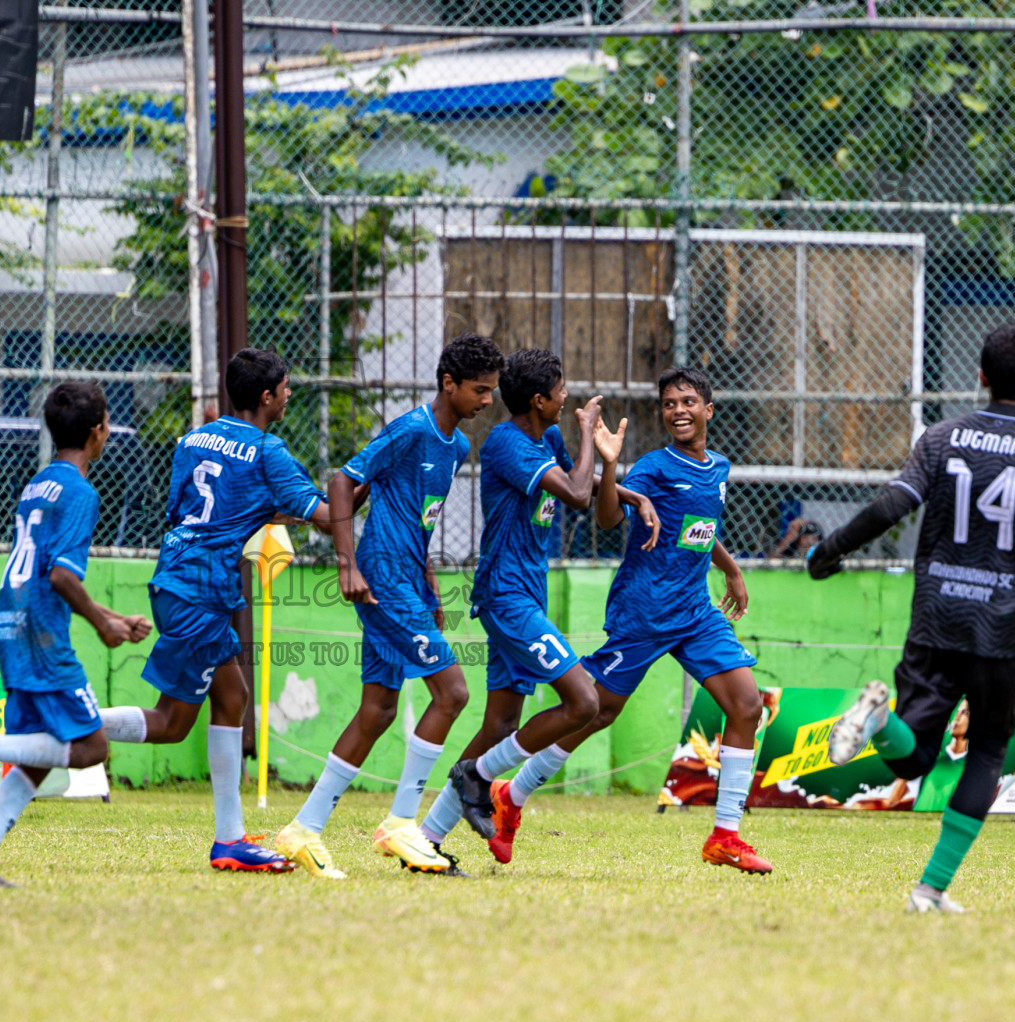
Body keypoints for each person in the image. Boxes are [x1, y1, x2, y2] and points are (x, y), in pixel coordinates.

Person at [813, 323, 1015, 914]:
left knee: (918, 755)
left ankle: (878, 720)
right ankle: (929, 889)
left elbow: (891, 505)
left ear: (980, 375)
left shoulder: (942, 437)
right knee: (985, 753)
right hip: (1003, 630)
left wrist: (832, 549)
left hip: (937, 616)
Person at [468, 366, 772, 873]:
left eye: (688, 401)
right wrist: (611, 467)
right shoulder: (653, 467)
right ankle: (509, 794)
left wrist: (732, 569)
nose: (678, 410)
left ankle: (725, 836)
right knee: (594, 711)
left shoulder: (718, 467)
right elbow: (608, 517)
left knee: (746, 705)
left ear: (708, 410)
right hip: (643, 612)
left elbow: (700, 526)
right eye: (670, 403)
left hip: (695, 611)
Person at [90, 348, 342, 873]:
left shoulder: (192, 439)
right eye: (286, 387)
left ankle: (230, 838)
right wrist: (363, 480)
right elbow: (324, 516)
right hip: (201, 590)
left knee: (233, 697)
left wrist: (269, 511)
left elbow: (198, 509)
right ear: (267, 396)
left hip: (179, 574)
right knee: (171, 723)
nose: (290, 394)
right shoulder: (268, 451)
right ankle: (58, 724)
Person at [272, 334, 504, 879]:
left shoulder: (454, 446)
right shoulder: (412, 429)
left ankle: (303, 829)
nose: (487, 401)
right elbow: (343, 481)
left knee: (377, 709)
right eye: (479, 390)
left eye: (492, 391)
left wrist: (428, 581)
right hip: (380, 577)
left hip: (408, 580)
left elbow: (417, 516)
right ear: (449, 384)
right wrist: (347, 564)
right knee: (453, 691)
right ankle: (403, 825)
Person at [417, 349, 657, 865]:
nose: (568, 398)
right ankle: (478, 775)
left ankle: (425, 840)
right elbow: (574, 492)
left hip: (527, 594)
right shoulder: (505, 443)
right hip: (506, 597)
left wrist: (628, 491)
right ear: (539, 400)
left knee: (500, 726)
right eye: (562, 391)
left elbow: (584, 487)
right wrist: (591, 432)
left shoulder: (544, 438)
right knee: (584, 703)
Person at [0, 380, 152, 887]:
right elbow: (62, 576)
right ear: (98, 432)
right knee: (91, 749)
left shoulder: (39, 484)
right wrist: (102, 626)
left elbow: (46, 572)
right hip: (43, 639)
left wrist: (111, 616)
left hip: (14, 625)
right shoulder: (81, 492)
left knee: (36, 757)